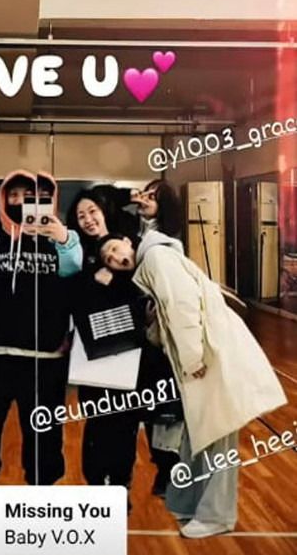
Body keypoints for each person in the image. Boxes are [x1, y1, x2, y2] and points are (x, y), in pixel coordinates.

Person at [100, 230, 287, 538]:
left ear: (128, 242)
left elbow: (182, 306)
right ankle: (188, 503)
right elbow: (166, 322)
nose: (113, 256)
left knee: (216, 436)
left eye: (114, 247)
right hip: (203, 357)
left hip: (209, 356)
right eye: (108, 258)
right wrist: (152, 325)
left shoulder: (156, 257)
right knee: (200, 435)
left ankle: (216, 516)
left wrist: (191, 359)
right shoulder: (152, 265)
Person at [0, 170, 82, 486]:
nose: (21, 202)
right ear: (4, 198)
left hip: (46, 356)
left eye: (29, 196)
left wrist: (61, 238)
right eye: (14, 195)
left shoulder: (63, 236)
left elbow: (74, 276)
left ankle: (42, 492)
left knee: (45, 433)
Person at [66, 188, 180, 499]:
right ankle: (96, 486)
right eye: (80, 215)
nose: (88, 219)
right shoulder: (76, 251)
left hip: (134, 352)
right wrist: (94, 281)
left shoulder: (130, 240)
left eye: (93, 211)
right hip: (97, 353)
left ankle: (122, 486)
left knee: (128, 422)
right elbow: (74, 297)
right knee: (98, 422)